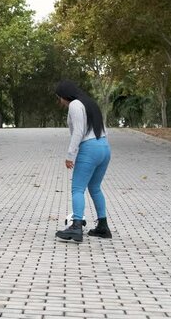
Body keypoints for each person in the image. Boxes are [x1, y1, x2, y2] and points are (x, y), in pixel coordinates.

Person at [54, 80, 112, 243]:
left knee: (77, 188)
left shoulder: (74, 105)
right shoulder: (89, 103)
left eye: (59, 98)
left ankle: (76, 226)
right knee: (94, 187)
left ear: (64, 96)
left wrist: (70, 155)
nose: (60, 102)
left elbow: (78, 132)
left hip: (90, 148)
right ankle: (103, 226)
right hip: (104, 147)